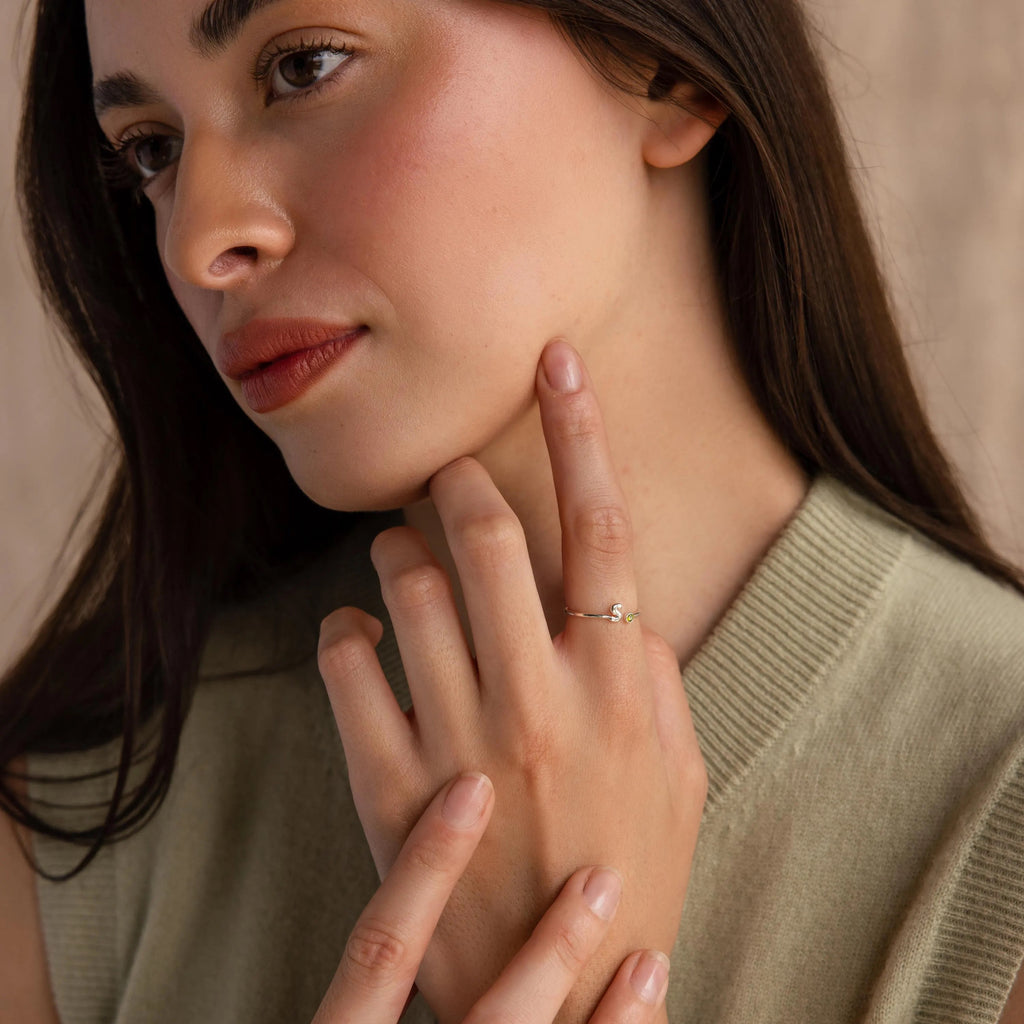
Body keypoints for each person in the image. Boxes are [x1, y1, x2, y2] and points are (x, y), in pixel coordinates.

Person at [1, 0, 1023, 1021]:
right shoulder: (68, 824)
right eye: (152, 150)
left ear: (661, 67)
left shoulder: (994, 823)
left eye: (304, 66)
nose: (197, 237)